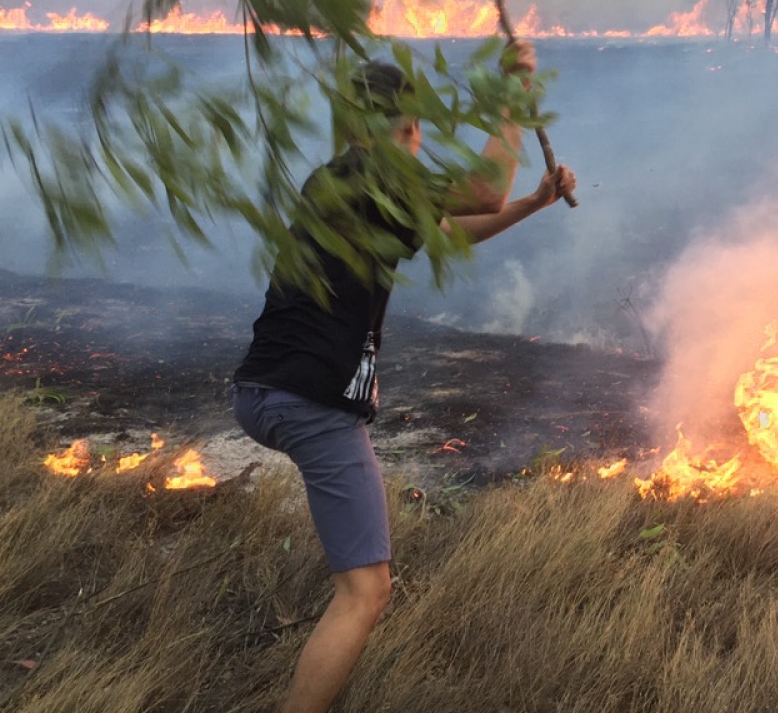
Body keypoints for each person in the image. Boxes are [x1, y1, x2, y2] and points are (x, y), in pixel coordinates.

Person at [231, 40, 575, 713]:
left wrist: (534, 203)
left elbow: (450, 229)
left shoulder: (347, 182)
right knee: (366, 591)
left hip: (265, 390)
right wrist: (511, 93)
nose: (418, 144)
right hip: (311, 398)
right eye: (415, 130)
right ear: (398, 127)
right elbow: (483, 188)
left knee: (362, 583)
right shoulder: (371, 174)